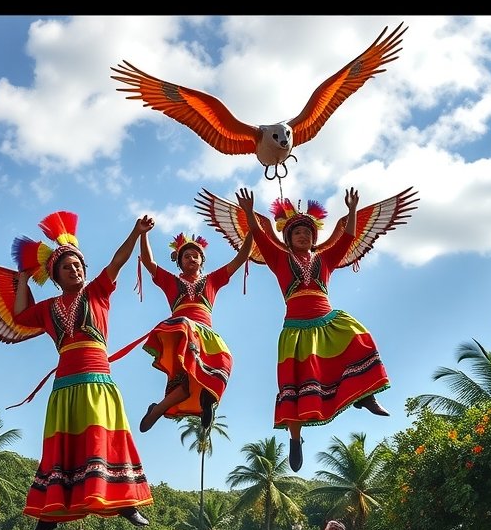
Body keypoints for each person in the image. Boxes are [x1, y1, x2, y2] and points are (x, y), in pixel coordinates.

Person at [0, 212, 155, 530]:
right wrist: (21, 277)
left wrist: (136, 233)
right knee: (59, 450)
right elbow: (19, 316)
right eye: (67, 267)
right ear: (55, 275)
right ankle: (48, 517)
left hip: (98, 379)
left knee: (103, 440)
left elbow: (118, 261)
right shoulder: (47, 308)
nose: (75, 270)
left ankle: (126, 503)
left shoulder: (97, 293)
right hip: (65, 384)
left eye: (78, 265)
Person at [236, 187, 392, 472]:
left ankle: (365, 395)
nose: (303, 236)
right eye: (297, 233)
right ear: (288, 238)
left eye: (307, 233)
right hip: (295, 330)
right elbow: (259, 236)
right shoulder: (279, 258)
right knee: (294, 388)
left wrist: (354, 210)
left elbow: (347, 239)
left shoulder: (325, 260)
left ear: (313, 238)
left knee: (358, 336)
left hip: (326, 320)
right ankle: (295, 439)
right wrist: (248, 212)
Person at [136, 228, 253, 433]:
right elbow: (148, 262)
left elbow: (241, 257)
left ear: (202, 261)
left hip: (205, 335)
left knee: (216, 368)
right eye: (186, 256)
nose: (191, 258)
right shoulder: (171, 281)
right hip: (182, 332)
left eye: (195, 256)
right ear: (179, 262)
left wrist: (250, 230)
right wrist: (143, 234)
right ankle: (203, 397)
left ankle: (160, 409)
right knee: (185, 325)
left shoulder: (212, 280)